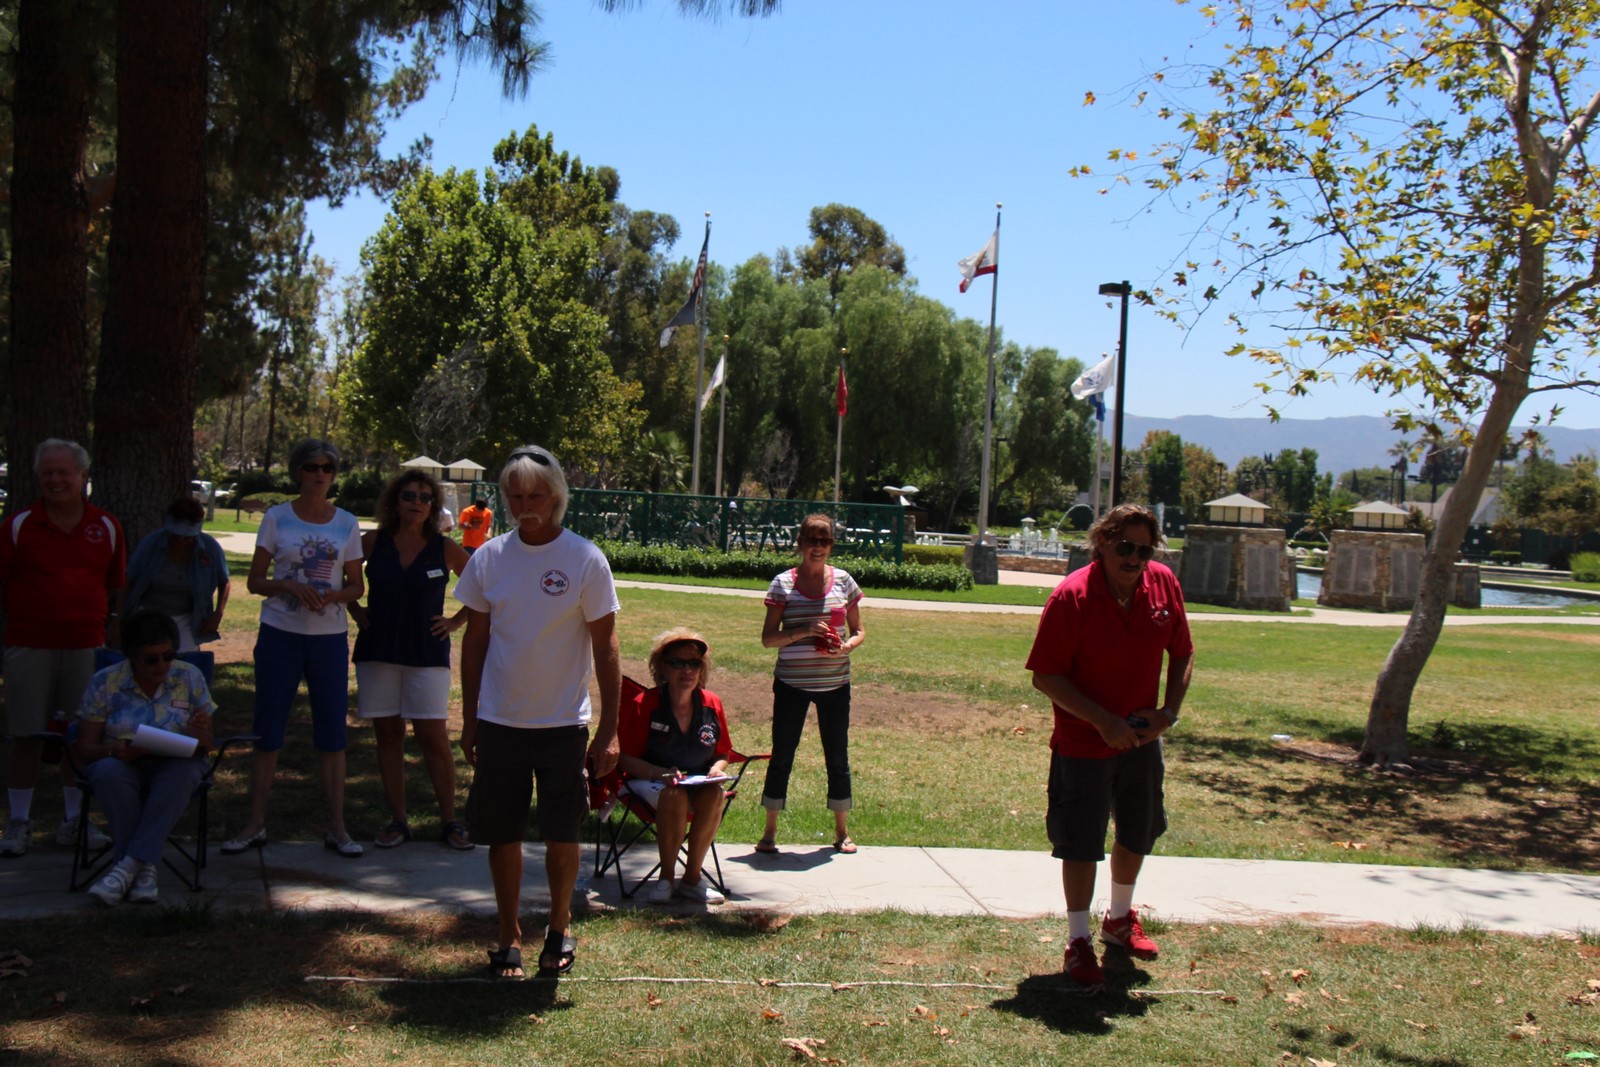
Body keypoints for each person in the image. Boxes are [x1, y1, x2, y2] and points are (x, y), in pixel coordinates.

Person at [456, 445, 620, 979]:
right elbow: (474, 642)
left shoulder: (584, 558)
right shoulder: (489, 558)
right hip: (500, 723)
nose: (526, 505)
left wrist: (609, 732)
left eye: (537, 495)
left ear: (556, 498)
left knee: (561, 835)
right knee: (502, 835)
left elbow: (607, 649)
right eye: (517, 496)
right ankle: (507, 938)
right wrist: (470, 717)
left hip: (562, 726)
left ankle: (558, 926)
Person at [1026, 503, 1193, 994]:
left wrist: (1169, 713)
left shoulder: (1163, 584)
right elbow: (1046, 675)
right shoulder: (1072, 596)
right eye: (1125, 547)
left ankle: (1118, 920)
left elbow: (1182, 651)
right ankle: (1078, 940)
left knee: (1139, 831)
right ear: (1102, 542)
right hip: (1084, 742)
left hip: (1143, 739)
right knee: (1080, 841)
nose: (1135, 558)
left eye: (1144, 549)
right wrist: (1102, 722)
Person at [222, 438, 365, 858]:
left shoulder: (347, 523)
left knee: (332, 734)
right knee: (268, 730)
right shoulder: (276, 518)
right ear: (297, 472)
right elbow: (255, 581)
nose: (320, 474)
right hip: (280, 634)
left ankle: (337, 828)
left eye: (328, 468)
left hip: (328, 640)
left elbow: (357, 585)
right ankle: (254, 825)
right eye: (312, 466)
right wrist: (289, 585)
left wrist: (332, 596)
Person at [0, 439, 124, 857]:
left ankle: (75, 822)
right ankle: (18, 822)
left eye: (63, 473)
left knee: (80, 735)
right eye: (47, 473)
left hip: (86, 647)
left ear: (83, 477)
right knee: (25, 734)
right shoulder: (18, 525)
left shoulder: (105, 526)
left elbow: (115, 586)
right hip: (28, 645)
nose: (55, 480)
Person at [351, 470, 472, 850]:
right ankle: (398, 822)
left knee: (433, 737)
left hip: (427, 652)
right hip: (379, 650)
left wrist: (455, 621)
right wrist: (355, 609)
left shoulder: (445, 547)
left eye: (424, 497)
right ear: (395, 502)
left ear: (434, 506)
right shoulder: (372, 542)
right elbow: (342, 578)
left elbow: (483, 585)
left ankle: (450, 822)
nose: (416, 502)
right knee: (387, 735)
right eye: (408, 496)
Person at [75, 610, 215, 906]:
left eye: (168, 655)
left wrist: (199, 732)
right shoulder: (106, 682)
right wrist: (114, 750)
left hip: (176, 762)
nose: (162, 665)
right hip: (122, 761)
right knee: (109, 774)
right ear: (131, 657)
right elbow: (84, 749)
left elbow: (206, 745)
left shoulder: (189, 676)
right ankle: (145, 868)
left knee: (184, 774)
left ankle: (127, 866)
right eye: (152, 659)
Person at [756, 513, 865, 855]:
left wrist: (847, 645)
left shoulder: (845, 582)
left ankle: (842, 831)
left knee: (838, 756)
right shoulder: (782, 584)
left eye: (825, 541)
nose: (818, 547)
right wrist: (804, 631)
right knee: (782, 754)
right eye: (812, 540)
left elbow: (860, 630)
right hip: (791, 683)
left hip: (836, 683)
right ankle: (770, 831)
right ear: (800, 542)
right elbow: (768, 639)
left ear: (831, 545)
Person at [617, 628, 732, 906]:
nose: (686, 670)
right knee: (674, 794)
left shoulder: (711, 703)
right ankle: (666, 878)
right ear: (662, 668)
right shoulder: (644, 704)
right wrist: (659, 773)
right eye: (677, 663)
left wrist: (717, 769)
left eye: (694, 663)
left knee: (714, 794)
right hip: (648, 780)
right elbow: (624, 758)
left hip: (695, 780)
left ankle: (692, 879)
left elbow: (723, 752)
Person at [123, 496, 230, 652]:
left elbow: (224, 581)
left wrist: (217, 614)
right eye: (176, 535)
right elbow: (128, 579)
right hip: (148, 615)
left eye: (187, 537)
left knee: (185, 667)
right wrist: (118, 616)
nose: (181, 541)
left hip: (186, 619)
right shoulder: (151, 543)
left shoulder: (209, 547)